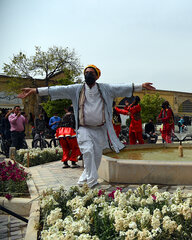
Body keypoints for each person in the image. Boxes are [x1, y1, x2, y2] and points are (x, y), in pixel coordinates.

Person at [18, 64, 155, 188]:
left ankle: (84, 178)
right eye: (86, 72)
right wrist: (35, 90)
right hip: (84, 128)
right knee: (87, 151)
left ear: (96, 76)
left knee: (96, 157)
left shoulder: (105, 89)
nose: (88, 74)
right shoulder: (76, 89)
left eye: (91, 72)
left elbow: (121, 87)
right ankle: (92, 182)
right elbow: (57, 89)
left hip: (100, 129)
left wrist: (140, 86)